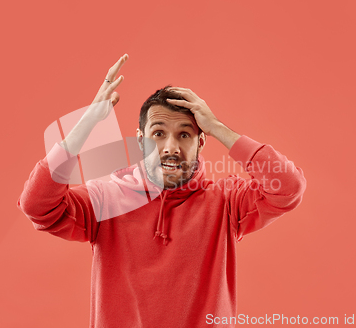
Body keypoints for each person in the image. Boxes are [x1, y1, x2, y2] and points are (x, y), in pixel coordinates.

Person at [17, 54, 307, 328]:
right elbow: (38, 207)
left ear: (201, 142)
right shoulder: (106, 199)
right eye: (158, 134)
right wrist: (87, 122)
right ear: (141, 140)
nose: (170, 147)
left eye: (184, 134)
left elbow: (289, 188)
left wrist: (219, 128)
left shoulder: (227, 201)